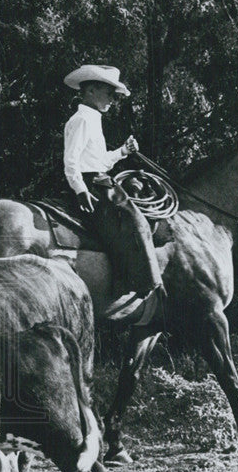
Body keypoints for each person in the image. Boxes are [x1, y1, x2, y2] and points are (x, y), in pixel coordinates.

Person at [62, 64, 163, 321]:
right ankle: (137, 284)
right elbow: (71, 161)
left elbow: (100, 161)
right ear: (91, 90)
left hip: (100, 179)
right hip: (94, 185)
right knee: (135, 220)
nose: (111, 99)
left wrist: (123, 151)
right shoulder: (82, 119)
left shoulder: (92, 118)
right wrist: (81, 190)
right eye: (108, 93)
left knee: (141, 214)